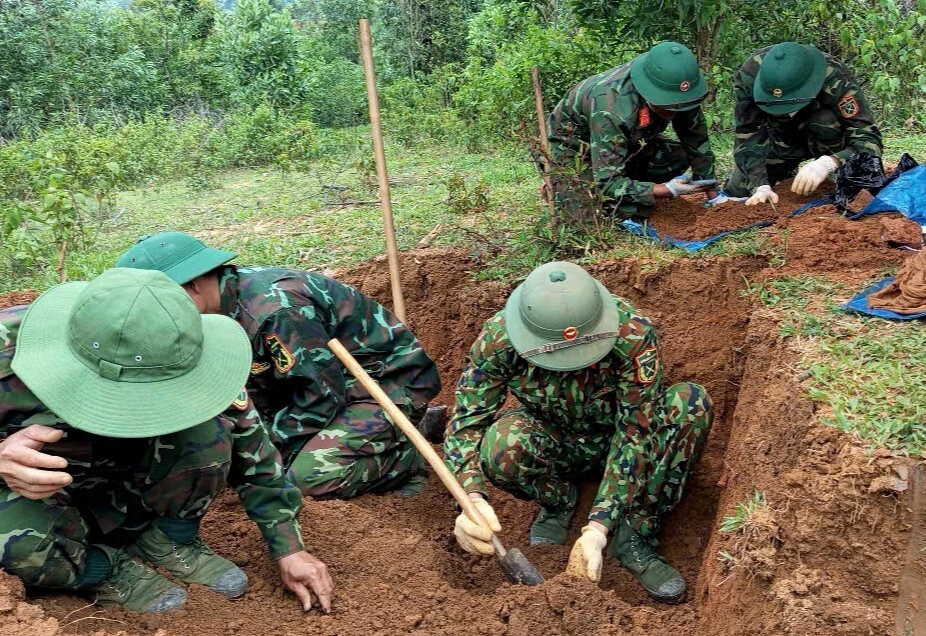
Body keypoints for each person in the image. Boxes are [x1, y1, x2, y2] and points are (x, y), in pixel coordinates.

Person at [0, 268, 333, 613]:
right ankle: (100, 567)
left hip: (128, 475)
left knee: (210, 431)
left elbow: (252, 448)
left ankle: (166, 539)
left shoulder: (185, 349)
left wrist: (288, 546)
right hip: (37, 489)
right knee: (16, 543)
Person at [444, 261, 712, 603]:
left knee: (690, 403)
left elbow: (635, 432)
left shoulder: (632, 333)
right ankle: (558, 502)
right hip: (558, 438)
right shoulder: (499, 340)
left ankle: (634, 533)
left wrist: (598, 529)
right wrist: (470, 498)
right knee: (503, 446)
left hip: (622, 440)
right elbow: (467, 421)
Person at [116, 232, 442, 499]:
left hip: (382, 386)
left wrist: (271, 448)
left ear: (194, 285)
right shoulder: (216, 307)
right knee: (226, 446)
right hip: (299, 383)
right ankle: (378, 438)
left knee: (307, 476)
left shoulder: (274, 312)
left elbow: (322, 395)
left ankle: (405, 457)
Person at [544, 41, 718, 220]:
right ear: (648, 94)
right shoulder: (611, 109)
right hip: (577, 148)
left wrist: (711, 192)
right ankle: (561, 185)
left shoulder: (677, 90)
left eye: (678, 108)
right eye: (666, 107)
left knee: (677, 156)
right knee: (602, 213)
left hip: (628, 143)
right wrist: (664, 190)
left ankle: (631, 184)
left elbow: (696, 141)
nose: (673, 114)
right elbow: (606, 181)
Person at [725, 41, 883, 206]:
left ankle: (836, 175)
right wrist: (759, 185)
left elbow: (868, 138)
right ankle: (784, 172)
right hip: (779, 139)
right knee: (738, 191)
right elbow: (748, 132)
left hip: (828, 139)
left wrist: (829, 163)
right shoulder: (749, 76)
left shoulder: (834, 75)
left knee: (825, 121)